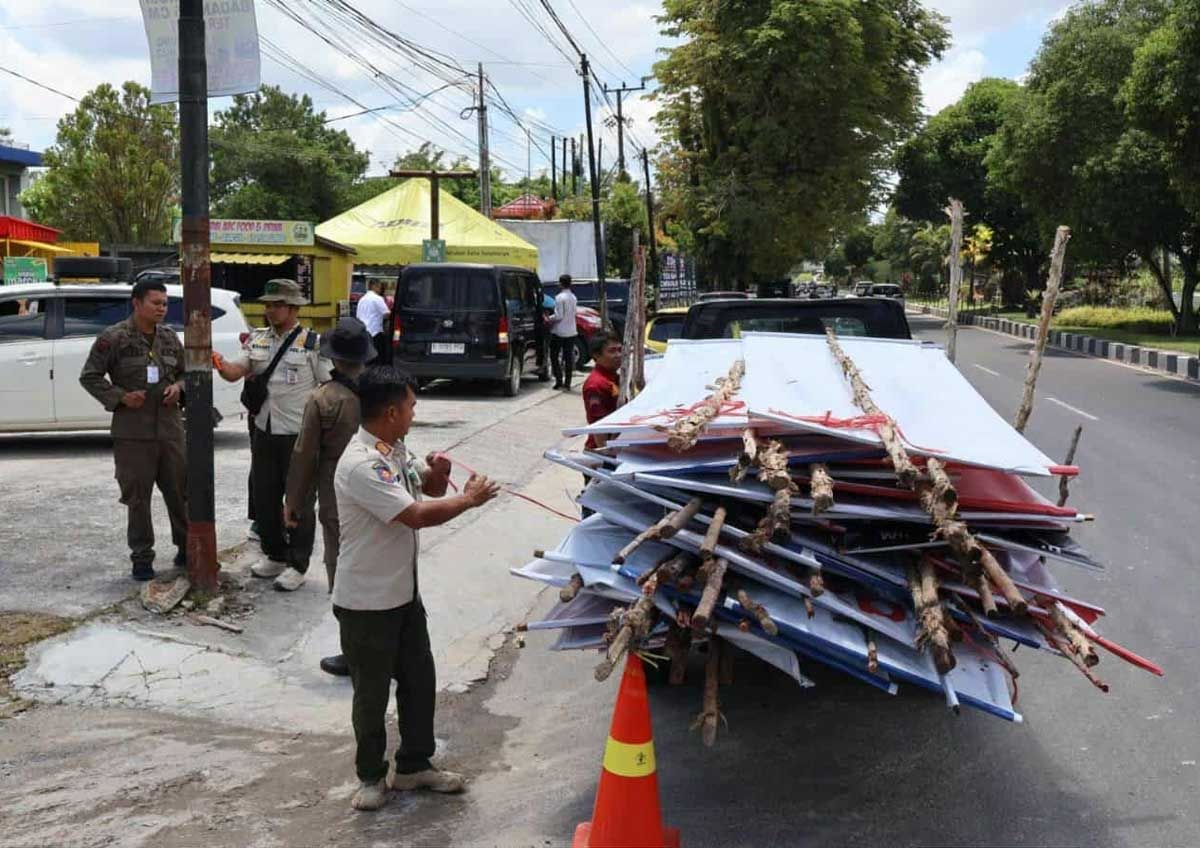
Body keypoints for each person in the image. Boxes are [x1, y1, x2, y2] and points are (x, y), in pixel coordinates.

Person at [333, 365, 500, 812]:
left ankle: (413, 766)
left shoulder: (394, 448)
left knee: (418, 681)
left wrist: (436, 475)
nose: (413, 412)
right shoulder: (361, 465)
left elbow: (421, 490)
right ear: (390, 411)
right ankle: (371, 775)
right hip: (366, 601)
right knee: (371, 695)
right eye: (410, 405)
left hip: (404, 594)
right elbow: (416, 515)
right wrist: (469, 500)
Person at [213, 278, 330, 592]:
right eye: (267, 304)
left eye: (276, 305)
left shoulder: (312, 343)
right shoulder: (258, 339)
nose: (270, 310)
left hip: (298, 436)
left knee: (299, 502)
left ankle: (298, 564)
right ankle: (275, 555)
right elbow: (237, 369)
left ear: (293, 308)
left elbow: (327, 386)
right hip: (264, 431)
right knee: (264, 497)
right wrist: (220, 364)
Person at [79, 279, 188, 581]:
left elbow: (186, 373)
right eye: (155, 303)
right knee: (138, 498)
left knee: (179, 492)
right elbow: (90, 377)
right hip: (132, 433)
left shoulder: (168, 338)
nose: (161, 309)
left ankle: (186, 548)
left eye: (165, 304)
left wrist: (179, 388)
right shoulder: (113, 338)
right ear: (136, 303)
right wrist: (121, 397)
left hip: (169, 430)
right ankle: (142, 557)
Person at [284, 317, 374, 677]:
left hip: (338, 497)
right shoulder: (379, 393)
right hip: (380, 492)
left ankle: (355, 654)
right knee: (377, 569)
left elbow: (305, 455)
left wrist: (293, 502)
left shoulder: (323, 399)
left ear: (332, 359)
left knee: (343, 572)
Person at [581, 331, 623, 450]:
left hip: (618, 444)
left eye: (620, 350)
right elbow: (599, 426)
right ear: (597, 355)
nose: (618, 355)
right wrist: (606, 457)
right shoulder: (596, 385)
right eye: (612, 351)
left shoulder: (616, 378)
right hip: (602, 450)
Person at [548, 274, 578, 390]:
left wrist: (549, 318)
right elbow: (574, 313)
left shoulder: (560, 297)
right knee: (568, 357)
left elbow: (559, 316)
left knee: (554, 356)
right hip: (571, 331)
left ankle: (559, 380)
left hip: (559, 331)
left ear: (560, 284)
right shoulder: (573, 297)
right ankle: (568, 383)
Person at [356, 278, 391, 363]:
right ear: (374, 286)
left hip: (362, 332)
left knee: (366, 358)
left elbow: (357, 316)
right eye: (379, 287)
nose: (380, 289)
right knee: (377, 359)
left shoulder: (362, 299)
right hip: (374, 333)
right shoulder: (377, 298)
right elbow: (387, 314)